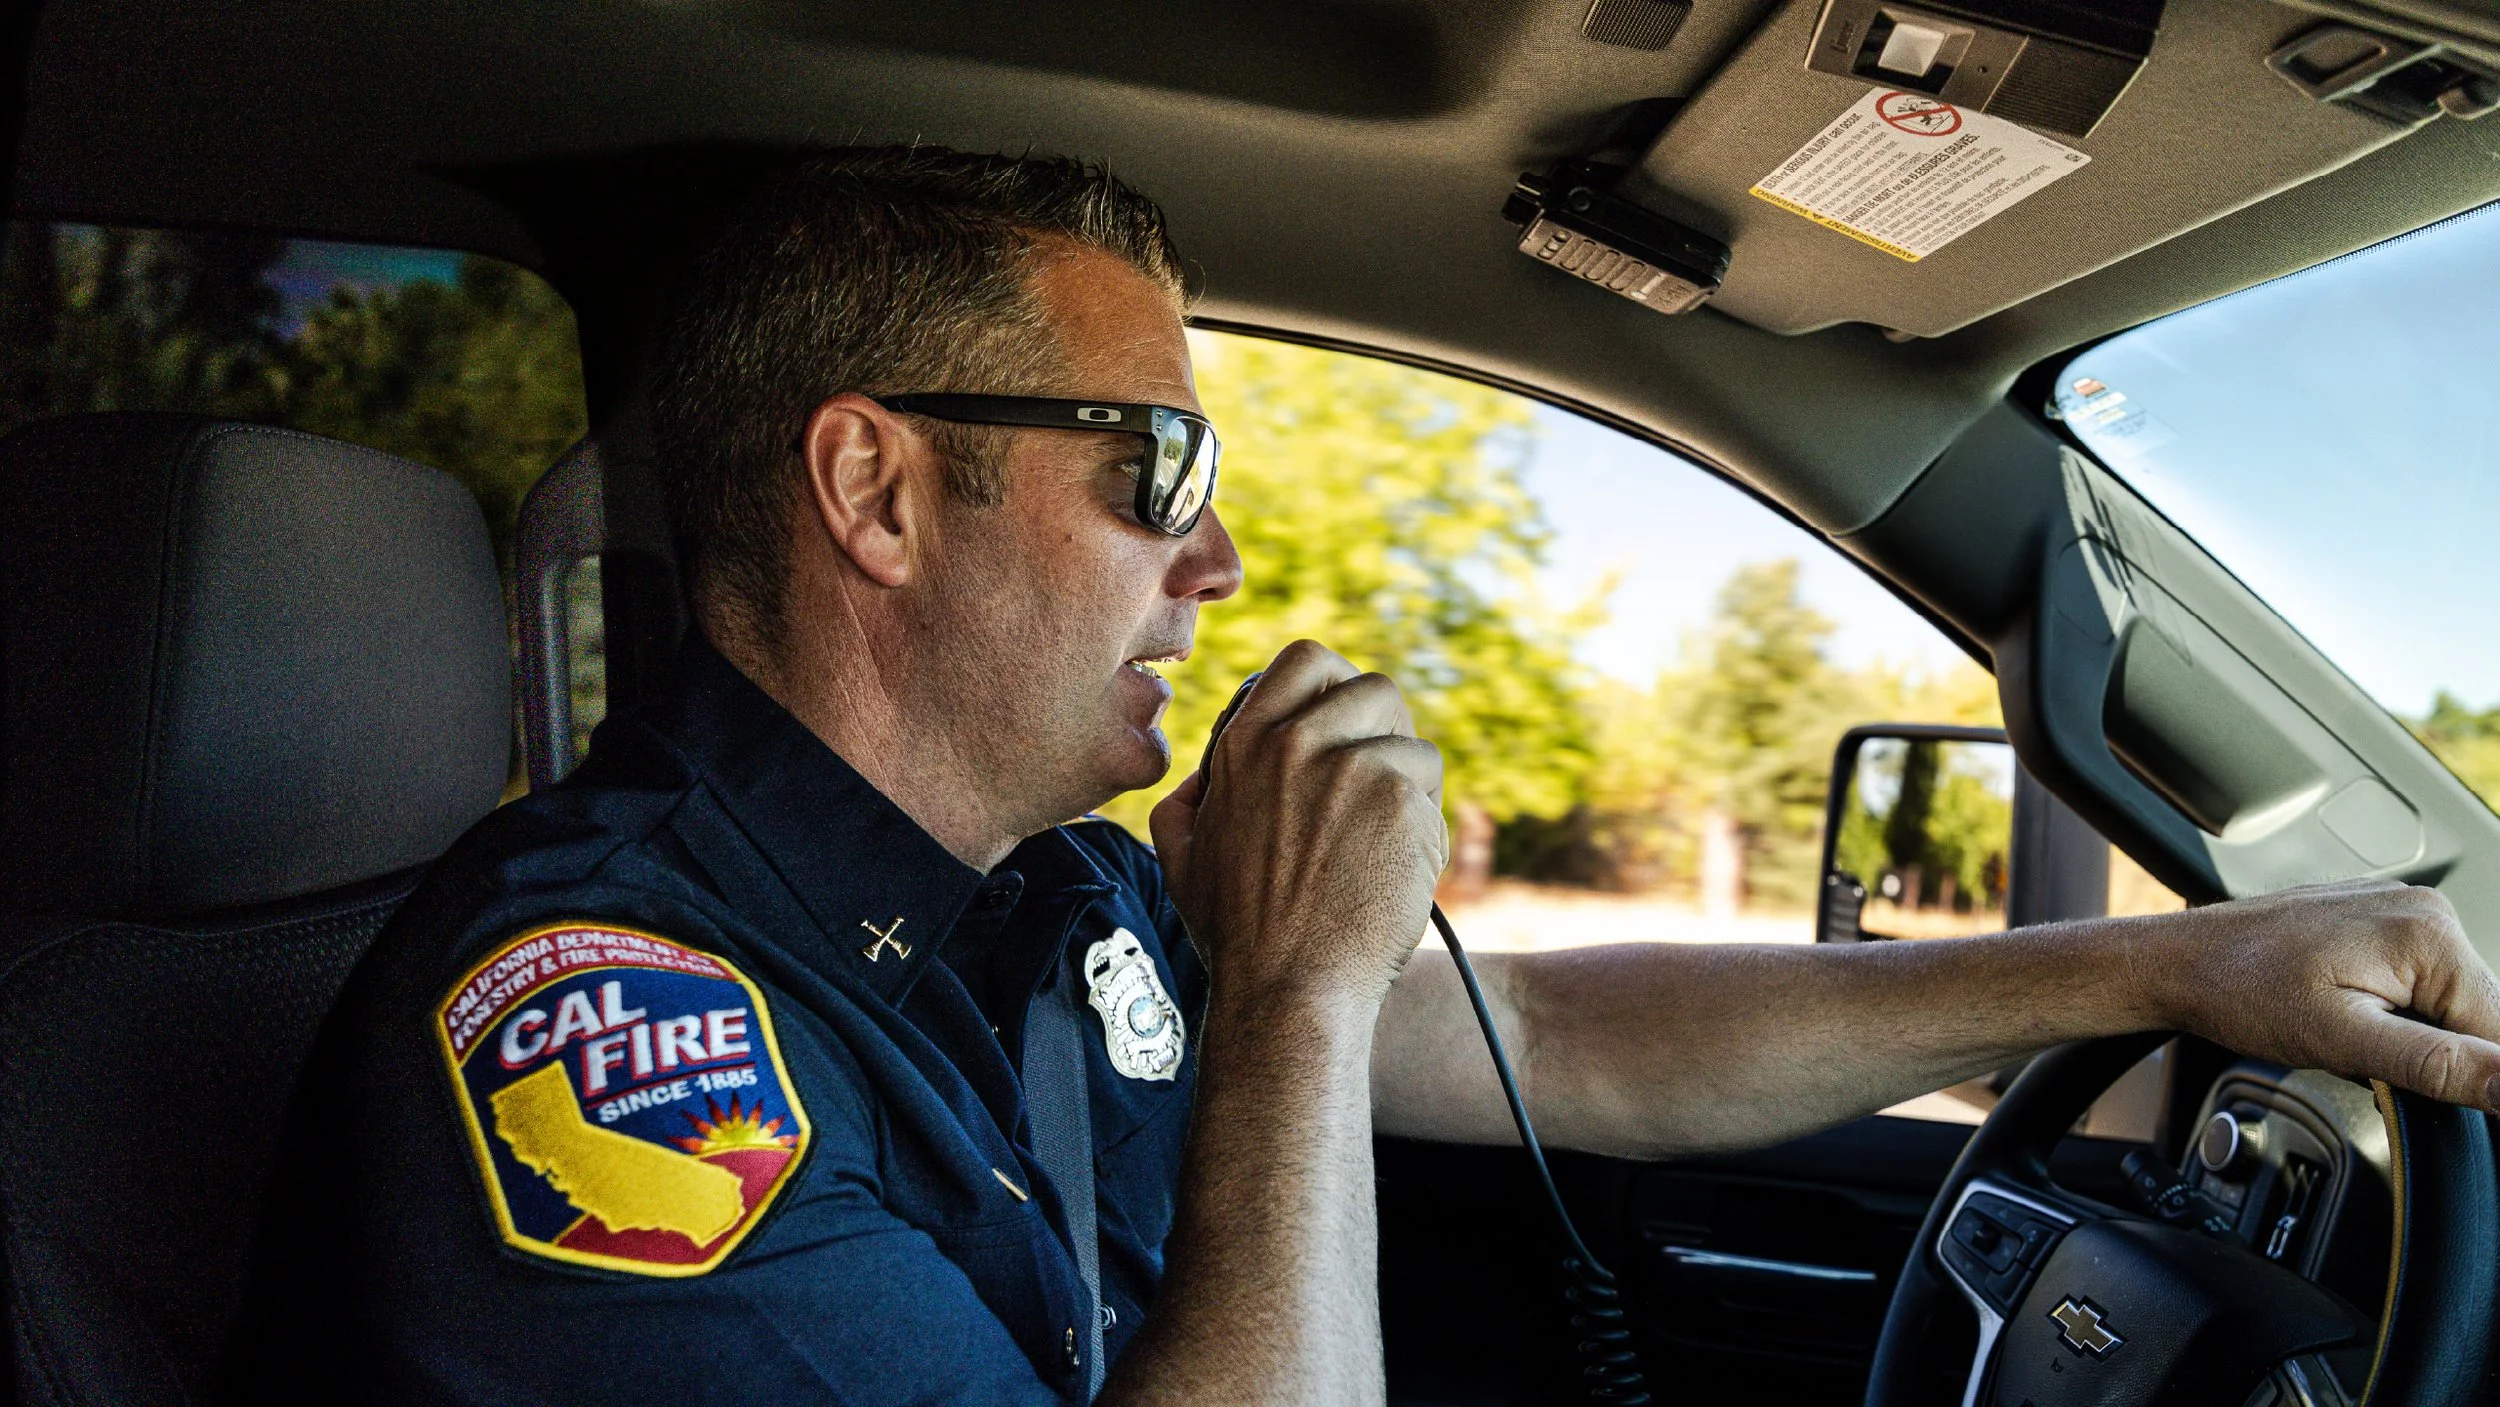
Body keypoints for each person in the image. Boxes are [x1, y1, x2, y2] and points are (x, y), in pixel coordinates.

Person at [229, 146, 2500, 1405]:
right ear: (878, 492)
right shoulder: (606, 1045)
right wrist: (1297, 994)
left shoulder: (1051, 894)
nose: (1215, 558)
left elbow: (1547, 1037)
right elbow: (1351, 1029)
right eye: (1158, 464)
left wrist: (2182, 963)